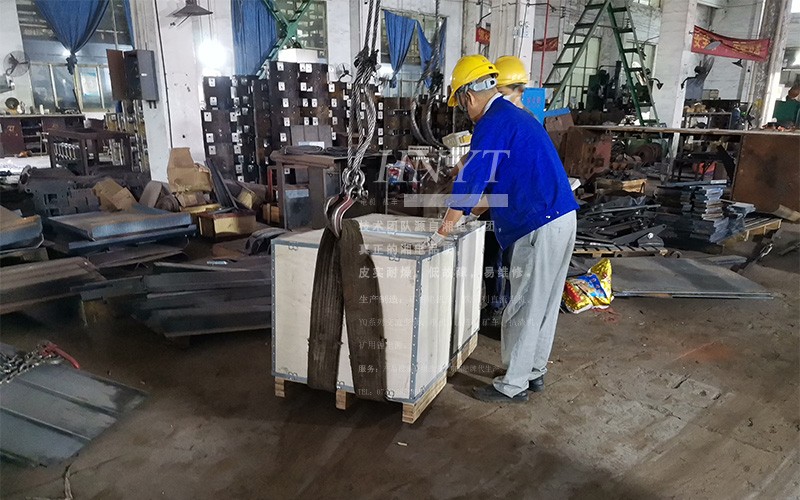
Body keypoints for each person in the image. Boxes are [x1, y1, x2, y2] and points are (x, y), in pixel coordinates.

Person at [419, 54, 578, 403]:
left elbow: (470, 186)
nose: (465, 112)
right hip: (562, 218)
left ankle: (513, 385)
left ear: (467, 97)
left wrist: (442, 232)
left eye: (462, 105)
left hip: (539, 224)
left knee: (522, 306)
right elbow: (492, 191)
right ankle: (533, 371)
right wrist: (464, 216)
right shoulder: (514, 117)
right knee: (544, 303)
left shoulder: (491, 124)